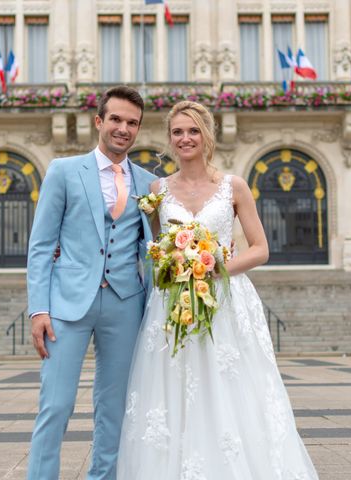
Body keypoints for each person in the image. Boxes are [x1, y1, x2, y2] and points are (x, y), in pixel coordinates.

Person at [117, 101, 318, 479]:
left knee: (231, 390)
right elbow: (157, 250)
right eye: (177, 132)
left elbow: (260, 249)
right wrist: (176, 267)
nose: (185, 138)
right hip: (174, 305)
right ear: (170, 139)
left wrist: (212, 269)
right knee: (175, 388)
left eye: (193, 130)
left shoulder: (233, 186)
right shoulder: (158, 190)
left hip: (225, 300)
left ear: (207, 135)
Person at [26, 86, 156, 480]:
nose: (123, 129)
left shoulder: (151, 183)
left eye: (132, 123)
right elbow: (41, 245)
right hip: (66, 305)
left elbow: (155, 247)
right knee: (56, 404)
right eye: (116, 119)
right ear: (99, 121)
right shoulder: (64, 171)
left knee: (114, 407)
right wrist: (39, 308)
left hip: (125, 304)